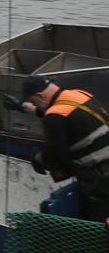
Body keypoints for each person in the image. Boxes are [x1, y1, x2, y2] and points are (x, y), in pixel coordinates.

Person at [22, 76, 109, 223]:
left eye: (34, 101)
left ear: (40, 96)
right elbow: (74, 117)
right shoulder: (80, 94)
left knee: (99, 223)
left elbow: (55, 154)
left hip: (100, 180)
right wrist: (35, 110)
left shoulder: (54, 116)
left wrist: (38, 160)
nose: (35, 104)